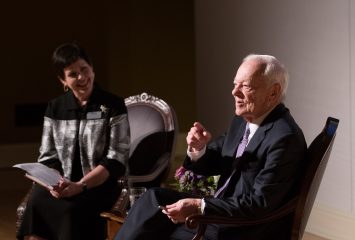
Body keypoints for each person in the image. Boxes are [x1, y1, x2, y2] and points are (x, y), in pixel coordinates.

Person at [114, 54, 307, 240]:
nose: (234, 92)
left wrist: (200, 206)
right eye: (235, 84)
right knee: (153, 198)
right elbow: (218, 157)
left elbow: (259, 204)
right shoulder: (244, 120)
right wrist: (199, 149)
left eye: (245, 86)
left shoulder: (284, 138)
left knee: (152, 226)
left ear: (273, 92)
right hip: (220, 211)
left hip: (240, 228)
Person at [17, 42, 130, 240]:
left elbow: (115, 159)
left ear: (92, 68)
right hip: (63, 184)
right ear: (62, 80)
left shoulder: (113, 105)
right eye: (72, 74)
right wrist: (55, 184)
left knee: (72, 208)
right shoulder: (55, 108)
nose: (82, 78)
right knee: (37, 199)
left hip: (98, 185)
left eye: (84, 69)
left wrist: (80, 185)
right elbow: (48, 156)